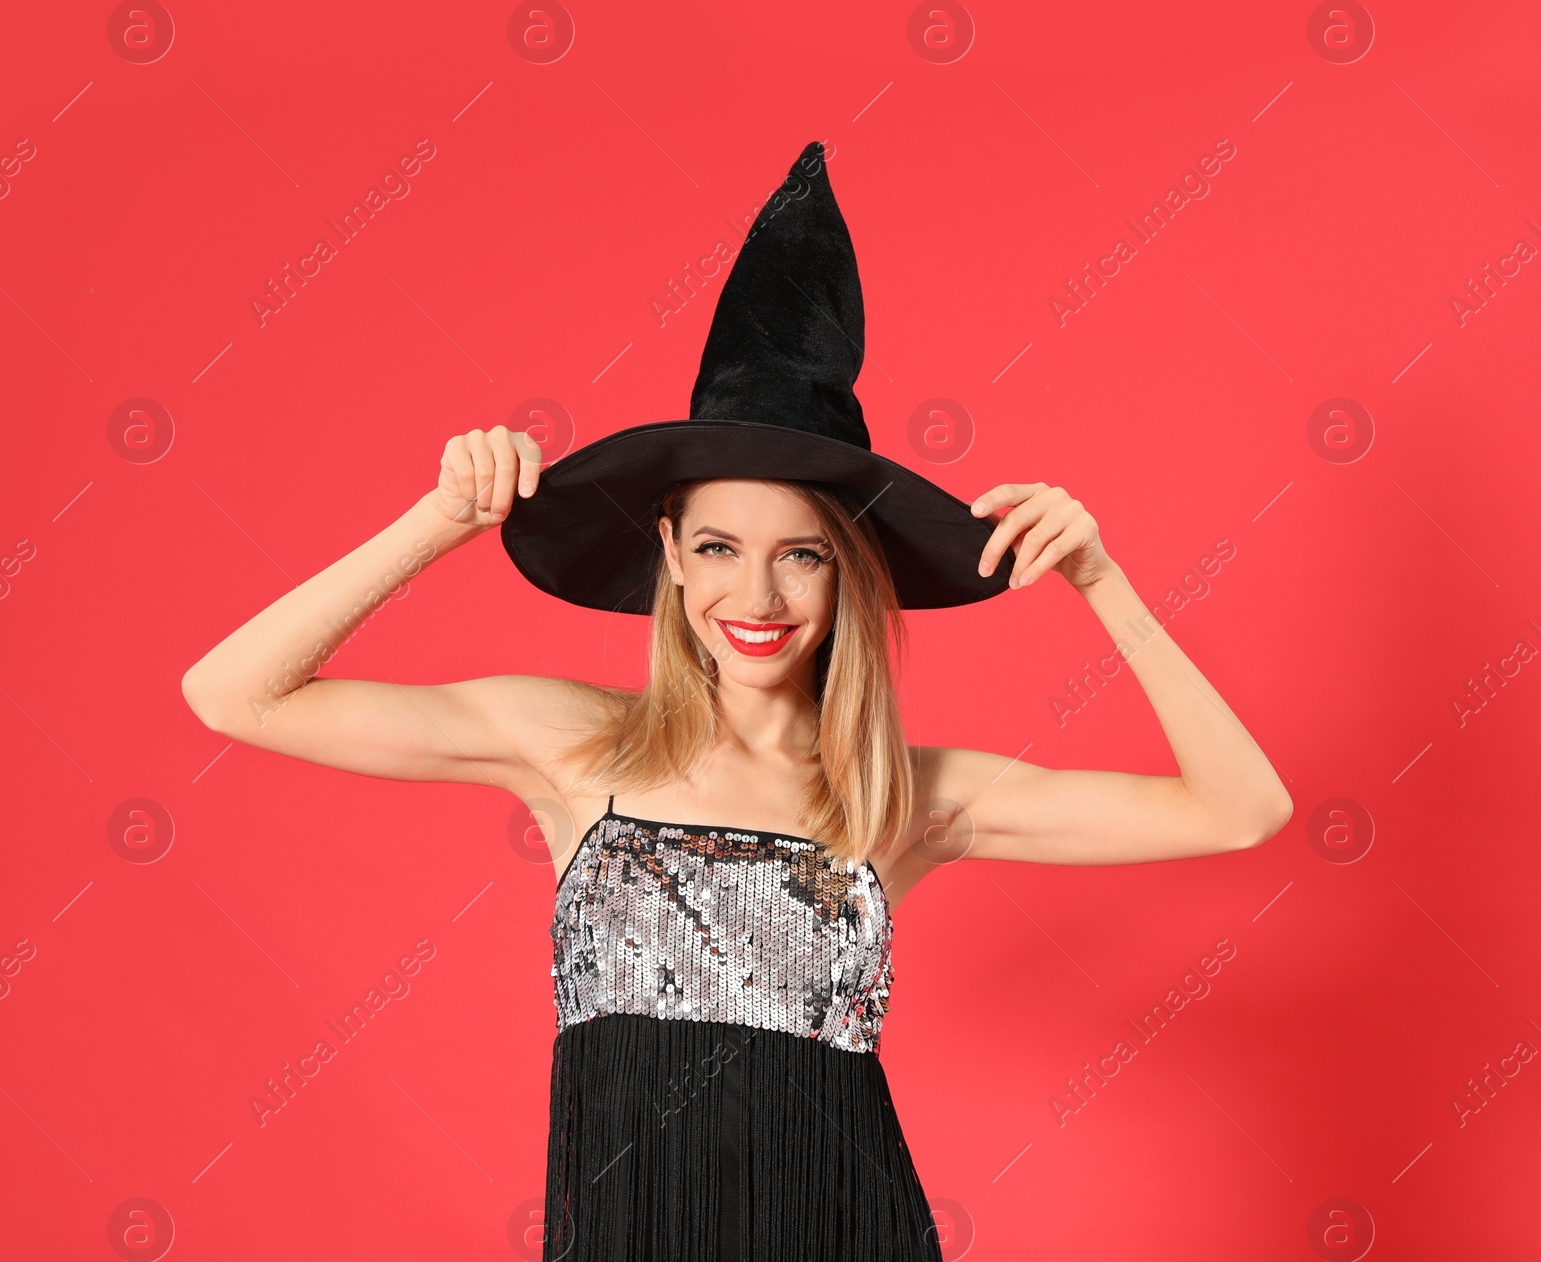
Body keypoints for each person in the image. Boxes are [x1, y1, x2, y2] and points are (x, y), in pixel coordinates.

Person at [181, 142, 1291, 1261]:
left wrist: (1102, 580)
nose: (754, 595)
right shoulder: (570, 743)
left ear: (850, 567)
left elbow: (1240, 808)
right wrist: (441, 521)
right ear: (667, 551)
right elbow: (236, 694)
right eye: (717, 545)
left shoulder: (902, 795)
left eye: (801, 554)